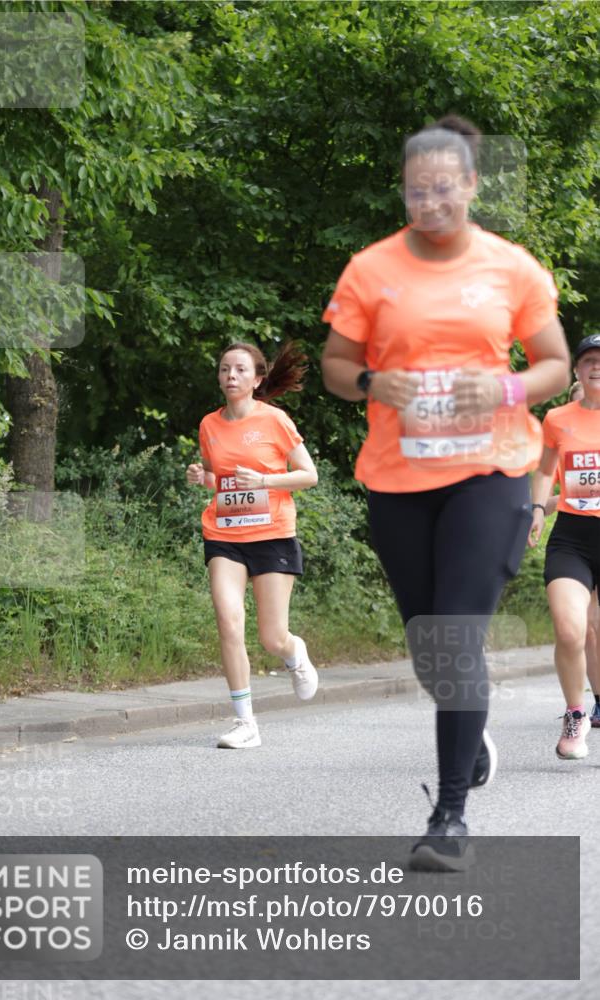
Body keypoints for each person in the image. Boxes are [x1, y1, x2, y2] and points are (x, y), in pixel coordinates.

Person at [321, 114, 569, 871]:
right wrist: (372, 380)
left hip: (490, 473)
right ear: (403, 192)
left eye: (442, 189)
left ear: (468, 186)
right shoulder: (370, 269)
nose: (428, 203)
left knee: (456, 639)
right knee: (431, 646)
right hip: (398, 478)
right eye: (413, 190)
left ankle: (449, 817)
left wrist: (500, 385)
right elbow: (335, 365)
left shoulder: (511, 268)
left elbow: (553, 364)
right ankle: (472, 729)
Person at [186, 341, 319, 749]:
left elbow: (308, 474)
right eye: (225, 369)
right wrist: (201, 477)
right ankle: (246, 723)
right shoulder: (209, 424)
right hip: (224, 534)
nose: (231, 376)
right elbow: (219, 477)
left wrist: (264, 481)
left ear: (257, 379)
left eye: (240, 370)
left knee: (271, 638)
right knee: (228, 620)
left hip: (272, 533)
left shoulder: (275, 421)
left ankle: (294, 653)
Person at [529, 333, 600, 757]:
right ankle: (576, 714)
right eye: (589, 360)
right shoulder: (558, 418)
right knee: (571, 629)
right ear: (577, 369)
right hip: (572, 536)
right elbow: (543, 469)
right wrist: (537, 508)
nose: (597, 366)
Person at [543, 379, 600, 728]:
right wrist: (541, 506)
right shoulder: (562, 434)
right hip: (575, 537)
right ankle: (591, 702)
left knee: (595, 627)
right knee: (585, 629)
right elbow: (551, 494)